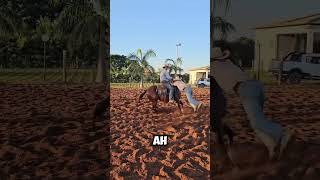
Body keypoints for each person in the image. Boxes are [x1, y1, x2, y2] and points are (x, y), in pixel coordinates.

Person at [211, 47, 293, 160]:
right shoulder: (229, 62)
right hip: (256, 86)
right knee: (256, 121)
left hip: (245, 90)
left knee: (258, 122)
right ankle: (272, 147)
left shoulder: (213, 67)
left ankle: (283, 134)